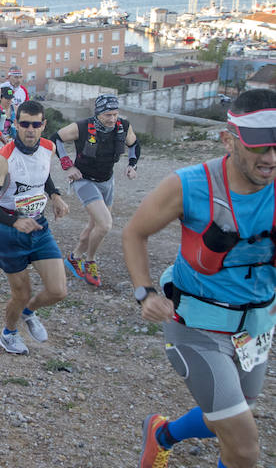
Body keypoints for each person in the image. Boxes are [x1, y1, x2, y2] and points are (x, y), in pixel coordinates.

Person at [123, 89, 276, 468]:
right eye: (259, 147)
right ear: (228, 140)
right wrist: (145, 293)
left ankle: (162, 433)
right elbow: (134, 233)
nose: (271, 158)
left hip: (256, 326)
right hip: (197, 326)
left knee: (232, 415)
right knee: (243, 446)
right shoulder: (191, 185)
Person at [0, 100, 69, 355]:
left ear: (43, 125)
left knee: (58, 290)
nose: (30, 129)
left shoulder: (49, 147)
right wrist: (14, 221)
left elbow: (43, 175)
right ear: (16, 124)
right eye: (25, 124)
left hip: (39, 224)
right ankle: (9, 334)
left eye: (36, 124)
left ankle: (29, 313)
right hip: (9, 230)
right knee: (20, 294)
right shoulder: (4, 158)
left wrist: (55, 195)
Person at [51, 94, 139, 287]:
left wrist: (133, 165)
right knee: (106, 224)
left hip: (107, 181)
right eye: (108, 114)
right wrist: (67, 165)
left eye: (115, 114)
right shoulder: (82, 127)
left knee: (94, 226)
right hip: (84, 180)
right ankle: (90, 262)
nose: (112, 119)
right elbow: (55, 138)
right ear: (98, 113)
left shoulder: (123, 126)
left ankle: (74, 258)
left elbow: (134, 144)